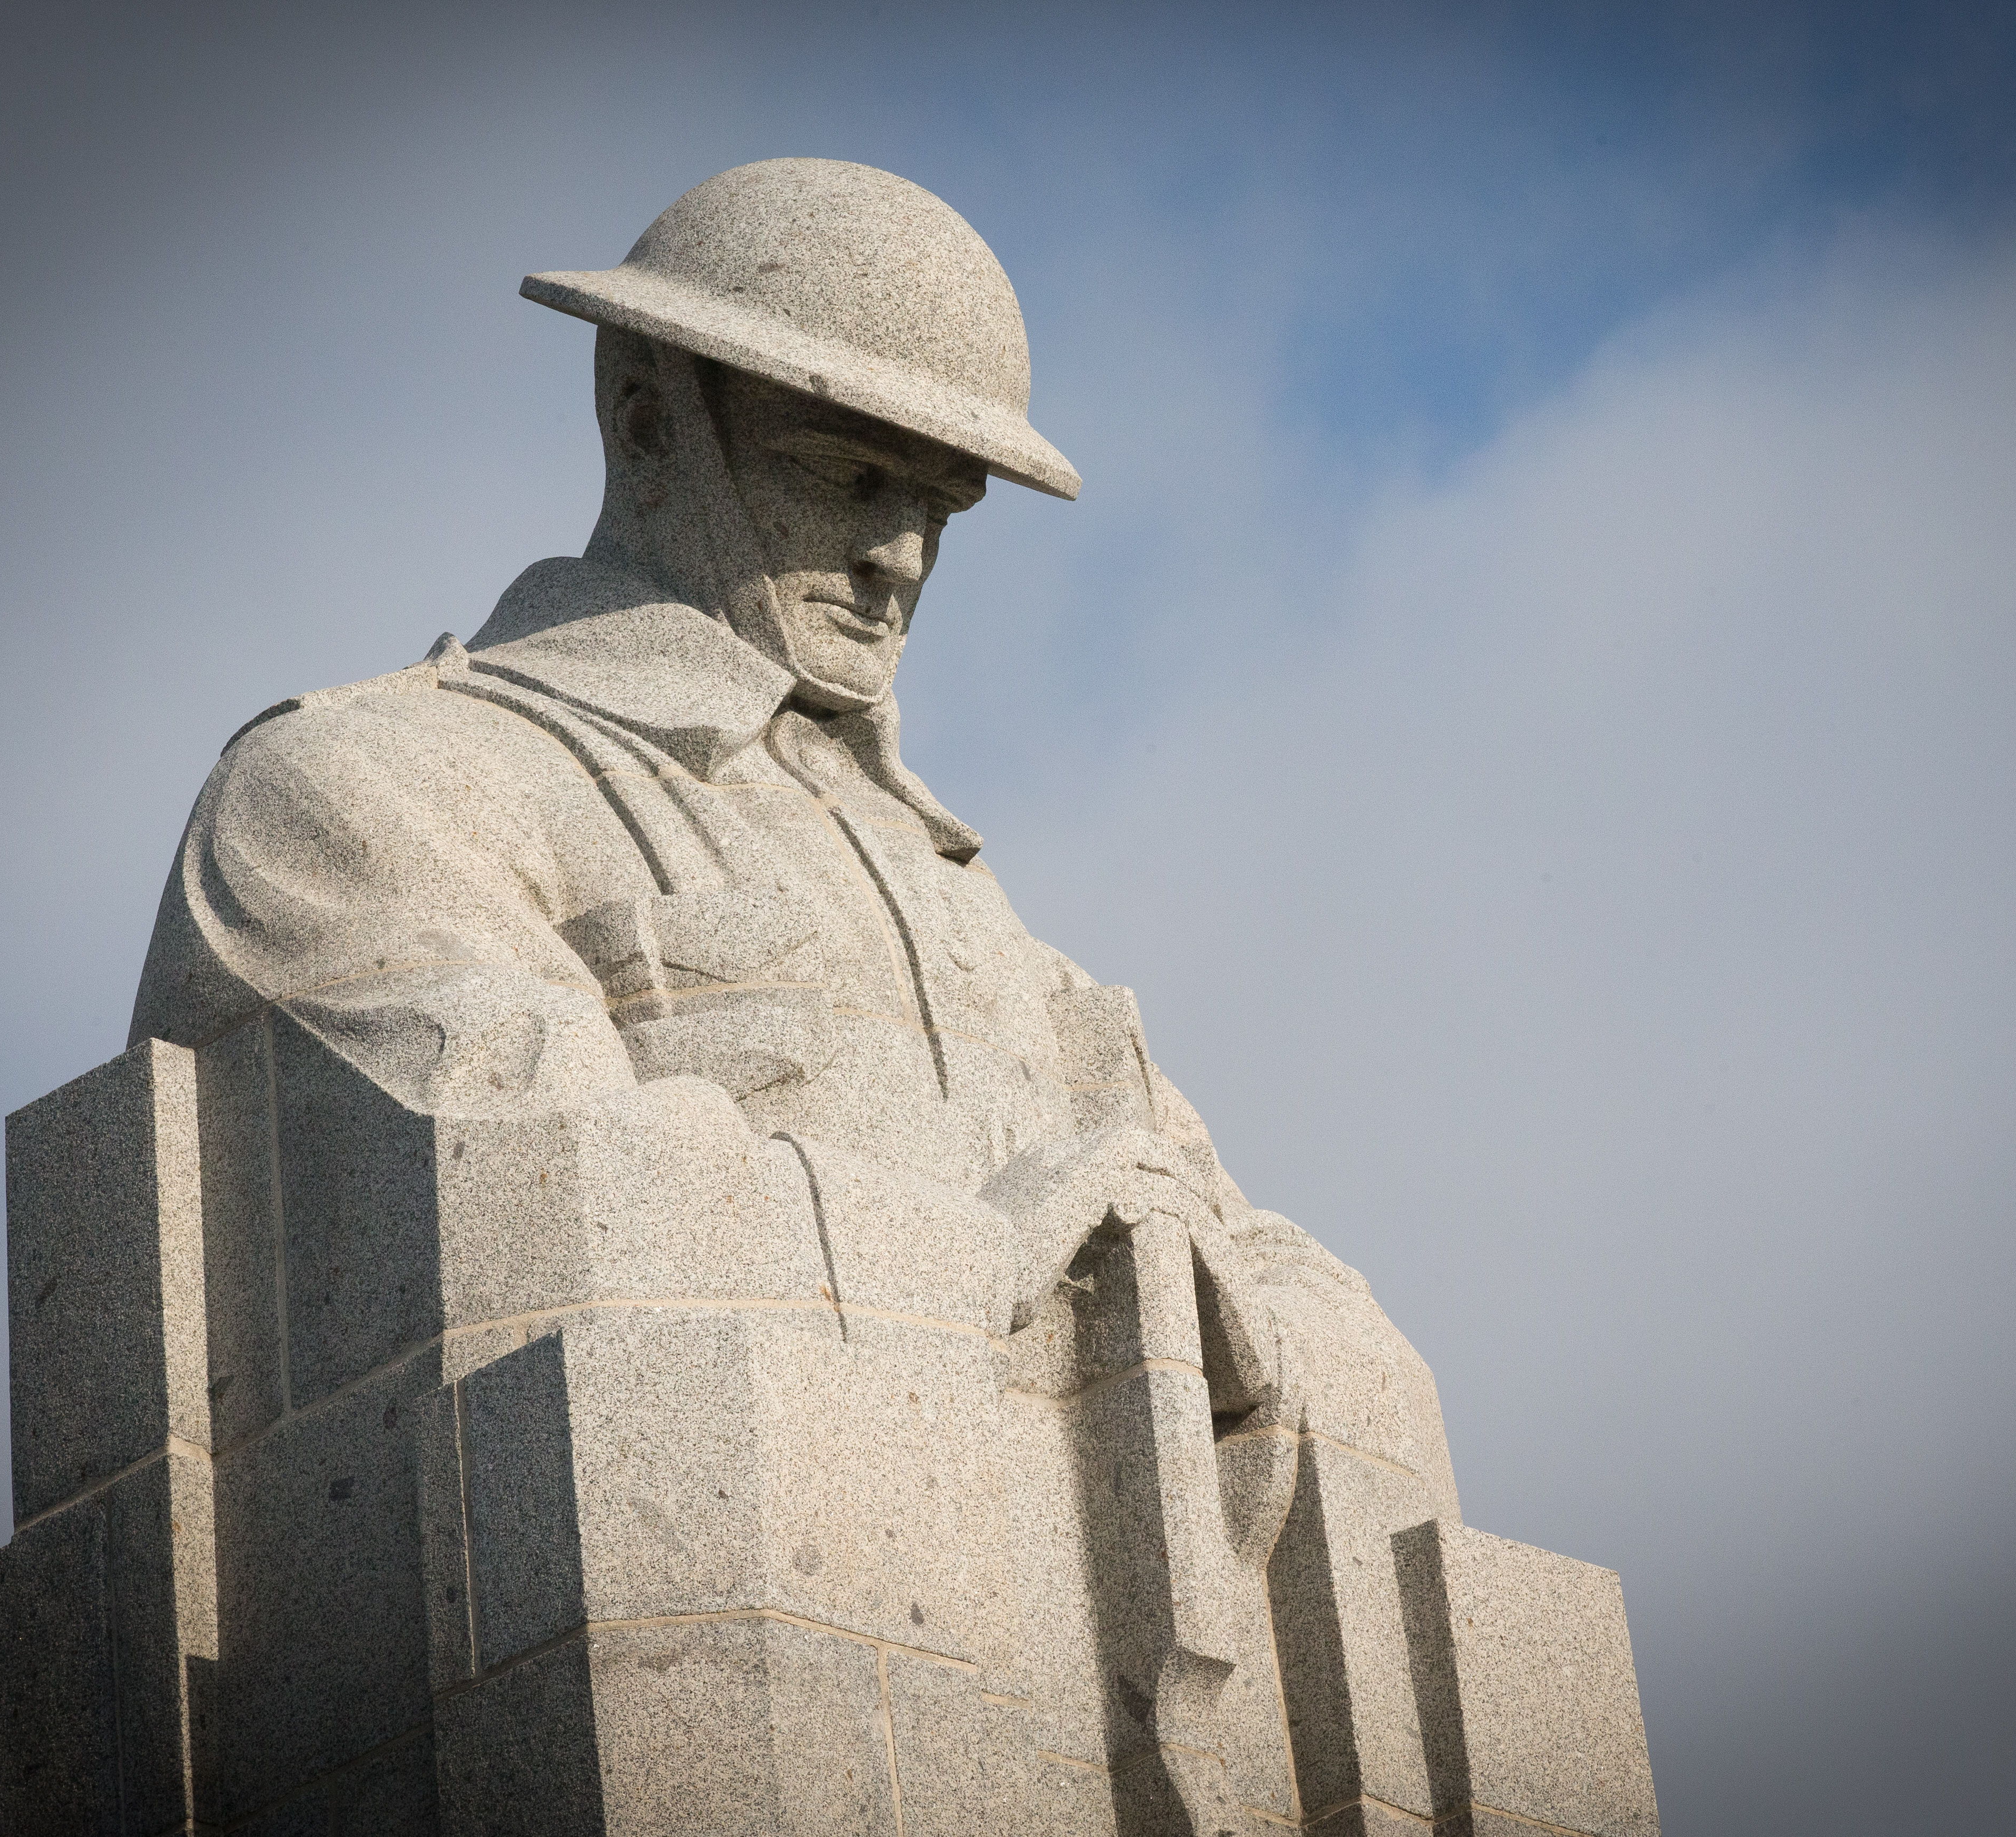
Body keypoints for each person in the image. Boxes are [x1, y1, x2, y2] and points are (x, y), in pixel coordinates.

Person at [133, 157, 1463, 1835]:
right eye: (847, 475)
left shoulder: (983, 923)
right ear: (645, 422)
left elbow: (1295, 1296)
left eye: (944, 502)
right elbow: (550, 1215)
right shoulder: (367, 788)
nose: (901, 553)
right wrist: (1002, 1249)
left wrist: (1249, 1324)